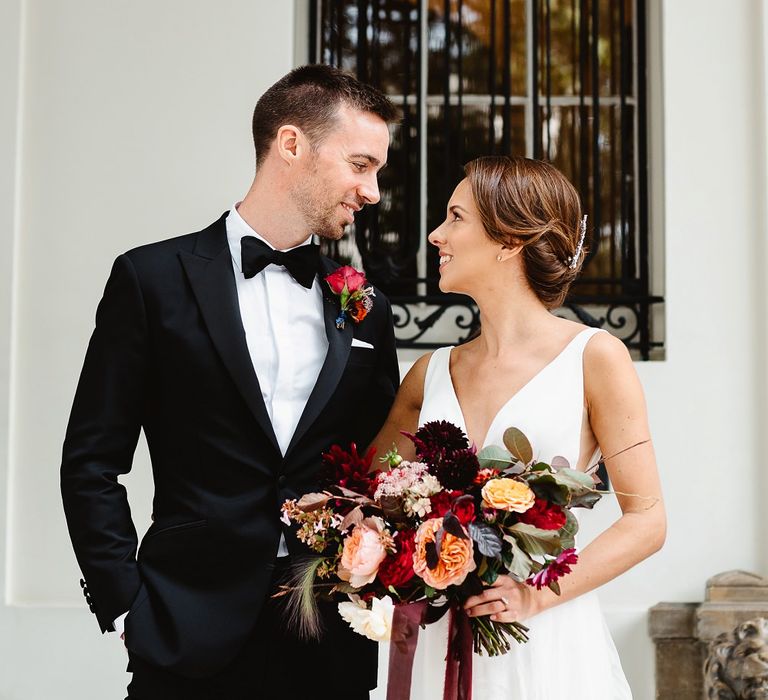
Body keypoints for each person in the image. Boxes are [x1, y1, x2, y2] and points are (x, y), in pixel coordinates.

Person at [60, 64, 400, 700]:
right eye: (360, 164)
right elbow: (91, 461)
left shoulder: (364, 307)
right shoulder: (150, 279)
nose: (372, 190)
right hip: (185, 628)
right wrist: (128, 603)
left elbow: (382, 462)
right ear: (291, 144)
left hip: (328, 631)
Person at [371, 155, 666, 698]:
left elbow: (647, 519)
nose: (437, 235)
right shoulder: (429, 372)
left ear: (508, 241)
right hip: (436, 637)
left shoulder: (594, 357)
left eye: (456, 218)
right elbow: (369, 499)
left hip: (543, 639)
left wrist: (534, 596)